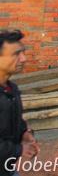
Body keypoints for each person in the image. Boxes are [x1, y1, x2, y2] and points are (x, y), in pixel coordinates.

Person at [1, 30, 37, 176]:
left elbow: (15, 121)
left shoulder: (12, 89)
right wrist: (19, 150)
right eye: (16, 54)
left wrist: (25, 133)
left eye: (23, 53)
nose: (23, 59)